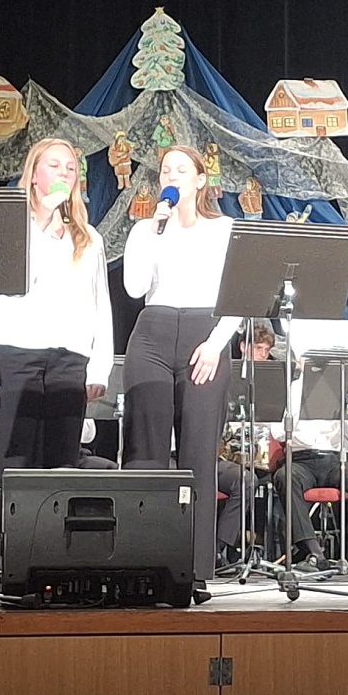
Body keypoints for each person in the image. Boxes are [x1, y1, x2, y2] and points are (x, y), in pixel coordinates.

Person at [0, 139, 113, 574]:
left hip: (68, 359)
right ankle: (4, 559)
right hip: (16, 355)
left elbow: (100, 304)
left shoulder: (87, 238)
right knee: (10, 463)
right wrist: (40, 220)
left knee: (60, 464)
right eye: (53, 166)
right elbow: (15, 282)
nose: (63, 173)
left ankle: (54, 561)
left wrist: (99, 366)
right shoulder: (10, 228)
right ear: (34, 175)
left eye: (71, 168)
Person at [121, 145, 241, 586]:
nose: (171, 176)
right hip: (152, 334)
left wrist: (215, 345)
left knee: (197, 455)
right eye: (165, 170)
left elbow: (239, 295)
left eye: (181, 170)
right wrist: (153, 229)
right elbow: (134, 288)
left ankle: (196, 568)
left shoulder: (224, 229)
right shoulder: (146, 228)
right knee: (145, 453)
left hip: (204, 335)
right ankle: (140, 563)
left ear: (200, 180)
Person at [269, 364, 348, 571]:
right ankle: (313, 552)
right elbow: (279, 432)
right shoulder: (292, 389)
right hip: (301, 459)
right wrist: (302, 404)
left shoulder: (343, 389)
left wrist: (345, 407)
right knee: (285, 477)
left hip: (336, 459)